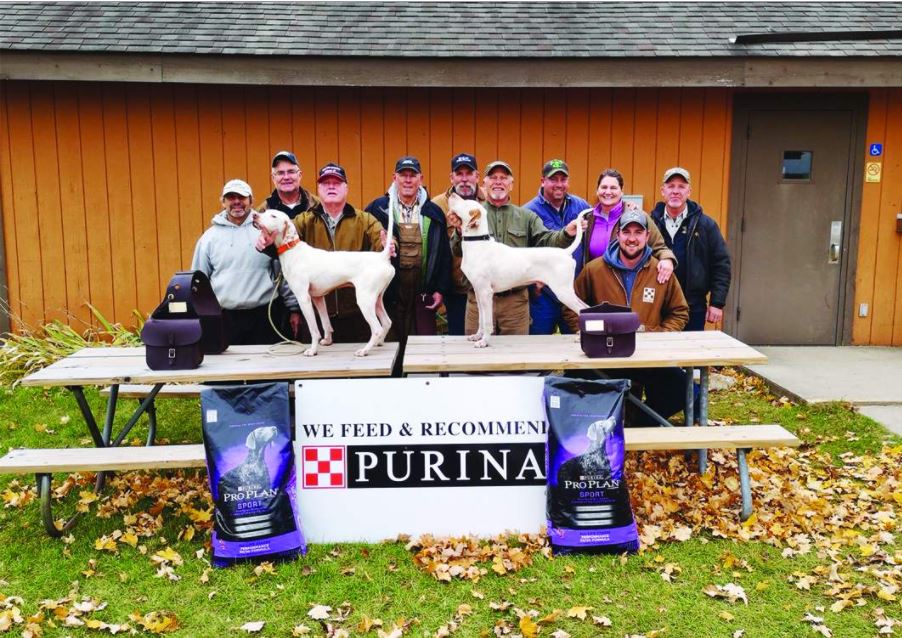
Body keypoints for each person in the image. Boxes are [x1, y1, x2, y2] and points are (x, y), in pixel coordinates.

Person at [564, 210, 690, 426]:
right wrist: (585, 331)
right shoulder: (594, 270)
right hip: (604, 355)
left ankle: (641, 423)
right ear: (618, 235)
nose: (632, 238)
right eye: (627, 232)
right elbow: (571, 305)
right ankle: (597, 428)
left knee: (679, 387)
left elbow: (679, 311)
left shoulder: (661, 272)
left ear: (647, 235)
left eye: (638, 232)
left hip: (648, 355)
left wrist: (658, 335)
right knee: (572, 384)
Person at [449, 160, 586, 337]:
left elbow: (546, 240)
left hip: (515, 307)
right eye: (493, 177)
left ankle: (590, 328)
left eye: (503, 178)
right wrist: (460, 230)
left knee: (516, 358)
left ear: (511, 184)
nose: (498, 182)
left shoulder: (526, 216)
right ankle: (483, 332)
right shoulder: (473, 212)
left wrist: (567, 233)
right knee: (476, 362)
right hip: (477, 302)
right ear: (484, 183)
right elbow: (456, 251)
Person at [256, 163, 388, 343]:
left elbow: (381, 238)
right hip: (320, 317)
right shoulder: (304, 220)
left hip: (356, 318)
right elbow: (283, 239)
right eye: (326, 183)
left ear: (346, 188)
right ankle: (323, 334)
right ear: (319, 189)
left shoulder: (364, 220)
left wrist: (390, 243)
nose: (331, 186)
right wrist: (266, 243)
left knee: (360, 369)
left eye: (337, 182)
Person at [191, 179, 299, 345]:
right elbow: (199, 282)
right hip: (226, 319)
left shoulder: (267, 233)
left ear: (251, 201)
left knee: (268, 368)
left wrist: (294, 308)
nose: (236, 202)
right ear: (222, 201)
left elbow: (284, 273)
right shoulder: (208, 239)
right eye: (230, 197)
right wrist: (201, 316)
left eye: (241, 197)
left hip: (266, 317)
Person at [365, 156, 451, 345]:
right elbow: (365, 249)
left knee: (422, 347)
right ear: (394, 178)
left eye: (412, 175)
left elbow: (445, 255)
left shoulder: (433, 211)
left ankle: (420, 376)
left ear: (421, 178)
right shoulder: (377, 208)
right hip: (388, 293)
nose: (408, 180)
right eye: (403, 175)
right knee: (389, 346)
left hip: (422, 293)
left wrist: (440, 290)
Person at [650, 167, 731, 331]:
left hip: (693, 306)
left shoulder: (706, 225)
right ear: (663, 191)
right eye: (671, 186)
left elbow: (721, 265)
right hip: (656, 304)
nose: (675, 191)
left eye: (681, 186)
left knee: (691, 353)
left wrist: (717, 303)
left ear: (689, 191)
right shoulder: (649, 224)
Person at [523, 159, 591, 335]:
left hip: (573, 288)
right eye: (553, 179)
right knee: (539, 346)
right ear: (543, 181)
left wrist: (627, 210)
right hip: (543, 294)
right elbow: (522, 251)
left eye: (563, 179)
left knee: (578, 344)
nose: (559, 184)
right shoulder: (528, 212)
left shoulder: (581, 206)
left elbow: (605, 222)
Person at [583, 168, 676, 281]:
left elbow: (659, 247)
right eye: (604, 187)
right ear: (597, 190)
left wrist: (667, 259)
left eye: (613, 188)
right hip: (594, 284)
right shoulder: (587, 218)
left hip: (627, 284)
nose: (608, 192)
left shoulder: (637, 215)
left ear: (621, 191)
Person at [431, 152, 485, 335]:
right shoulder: (437, 206)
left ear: (477, 176)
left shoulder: (489, 204)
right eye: (459, 174)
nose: (464, 179)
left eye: (469, 174)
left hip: (484, 288)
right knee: (457, 343)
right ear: (451, 177)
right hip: (454, 290)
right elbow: (432, 249)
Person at [261, 150, 318, 219]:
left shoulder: (318, 207)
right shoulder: (262, 213)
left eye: (291, 172)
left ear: (299, 175)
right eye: (280, 173)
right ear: (273, 178)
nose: (286, 177)